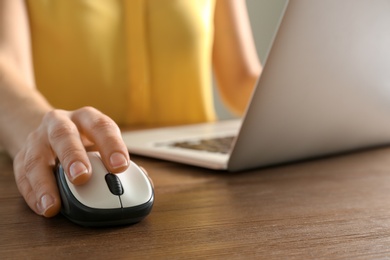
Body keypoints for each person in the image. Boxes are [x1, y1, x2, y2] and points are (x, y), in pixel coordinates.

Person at [0, 0, 261, 218]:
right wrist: (46, 127)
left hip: (199, 172)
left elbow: (241, 80)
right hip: (77, 158)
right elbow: (5, 62)